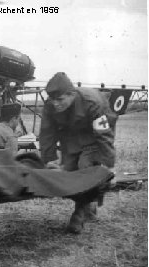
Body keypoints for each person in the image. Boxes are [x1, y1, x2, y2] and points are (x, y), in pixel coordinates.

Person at [39, 72, 117, 234]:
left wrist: (109, 165)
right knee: (68, 174)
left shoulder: (92, 103)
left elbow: (104, 135)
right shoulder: (50, 105)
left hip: (95, 137)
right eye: (52, 99)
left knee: (85, 169)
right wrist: (49, 159)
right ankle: (90, 202)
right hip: (71, 138)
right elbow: (47, 133)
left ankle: (79, 214)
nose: (55, 104)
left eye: (60, 100)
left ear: (72, 94)